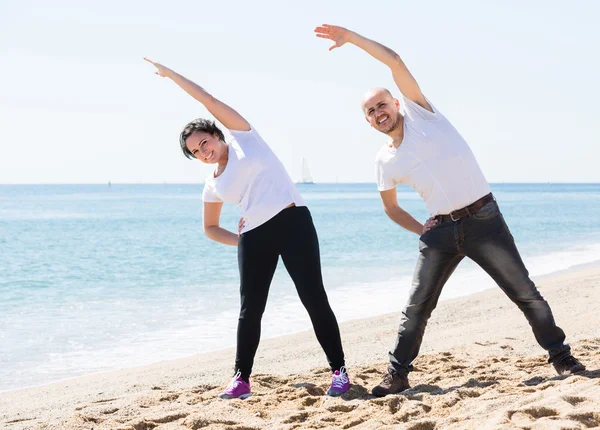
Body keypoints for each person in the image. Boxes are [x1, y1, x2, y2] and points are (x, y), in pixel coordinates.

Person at [314, 25, 585, 397]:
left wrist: (353, 39)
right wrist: (421, 230)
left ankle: (561, 357)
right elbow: (391, 208)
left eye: (382, 104)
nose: (379, 113)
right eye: (371, 111)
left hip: (484, 221)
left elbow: (394, 61)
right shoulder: (384, 160)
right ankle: (397, 375)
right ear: (367, 121)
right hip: (439, 234)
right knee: (416, 309)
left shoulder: (423, 114)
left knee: (525, 293)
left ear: (396, 103)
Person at [144, 57, 350, 399]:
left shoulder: (245, 139)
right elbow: (210, 227)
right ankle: (241, 379)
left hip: (293, 221)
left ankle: (339, 371)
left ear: (216, 133)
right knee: (250, 309)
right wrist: (239, 239)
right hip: (254, 237)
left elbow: (207, 100)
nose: (203, 152)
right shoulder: (212, 184)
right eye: (196, 152)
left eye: (204, 143)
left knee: (313, 297)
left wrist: (171, 75)